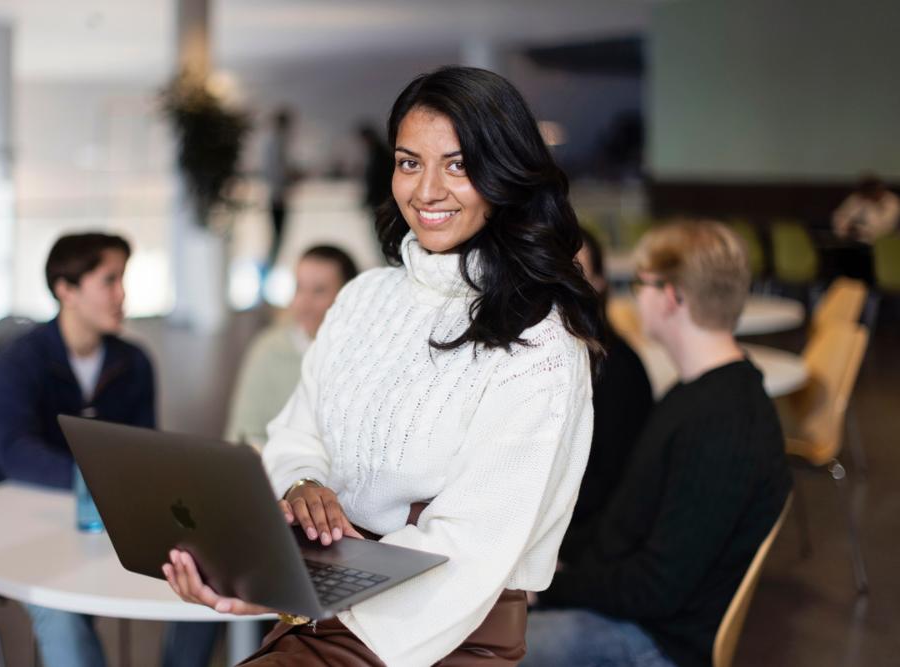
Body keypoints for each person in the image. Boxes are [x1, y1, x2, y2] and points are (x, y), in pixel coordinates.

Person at [164, 65, 604, 665]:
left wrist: (291, 591)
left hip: (440, 631)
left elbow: (470, 550)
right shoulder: (364, 297)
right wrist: (301, 484)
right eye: (408, 162)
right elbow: (297, 430)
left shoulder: (541, 343)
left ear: (507, 172)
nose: (426, 191)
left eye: (457, 164)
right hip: (329, 605)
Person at [524, 221, 793, 667]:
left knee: (480, 647)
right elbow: (629, 522)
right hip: (638, 613)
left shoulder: (723, 423)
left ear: (670, 296)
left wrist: (549, 588)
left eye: (640, 285)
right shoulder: (699, 394)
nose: (633, 297)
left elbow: (658, 588)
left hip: (657, 642)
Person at [0, 233, 214, 667]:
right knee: (61, 615)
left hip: (114, 524)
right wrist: (101, 478)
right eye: (109, 280)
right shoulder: (19, 362)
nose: (122, 294)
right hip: (34, 525)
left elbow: (147, 449)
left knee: (209, 577)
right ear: (65, 290)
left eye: (122, 279)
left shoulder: (135, 362)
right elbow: (14, 452)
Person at [225, 244, 358, 448]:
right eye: (299, 288)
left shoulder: (365, 354)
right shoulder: (268, 349)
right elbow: (243, 434)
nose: (303, 304)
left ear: (348, 296)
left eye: (319, 291)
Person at [569, 227, 653, 530]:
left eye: (576, 271)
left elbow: (608, 485)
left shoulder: (616, 368)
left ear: (599, 285)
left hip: (592, 536)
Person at [831, 173, 900, 284]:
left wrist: (860, 229)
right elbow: (840, 218)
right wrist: (848, 228)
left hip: (886, 248)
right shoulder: (857, 199)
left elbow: (884, 229)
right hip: (859, 246)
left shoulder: (892, 202)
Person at [263, 107, 296, 268]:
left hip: (276, 193)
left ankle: (272, 267)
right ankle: (271, 268)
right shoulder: (277, 142)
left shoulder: (273, 141)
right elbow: (278, 170)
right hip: (277, 195)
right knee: (277, 237)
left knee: (278, 237)